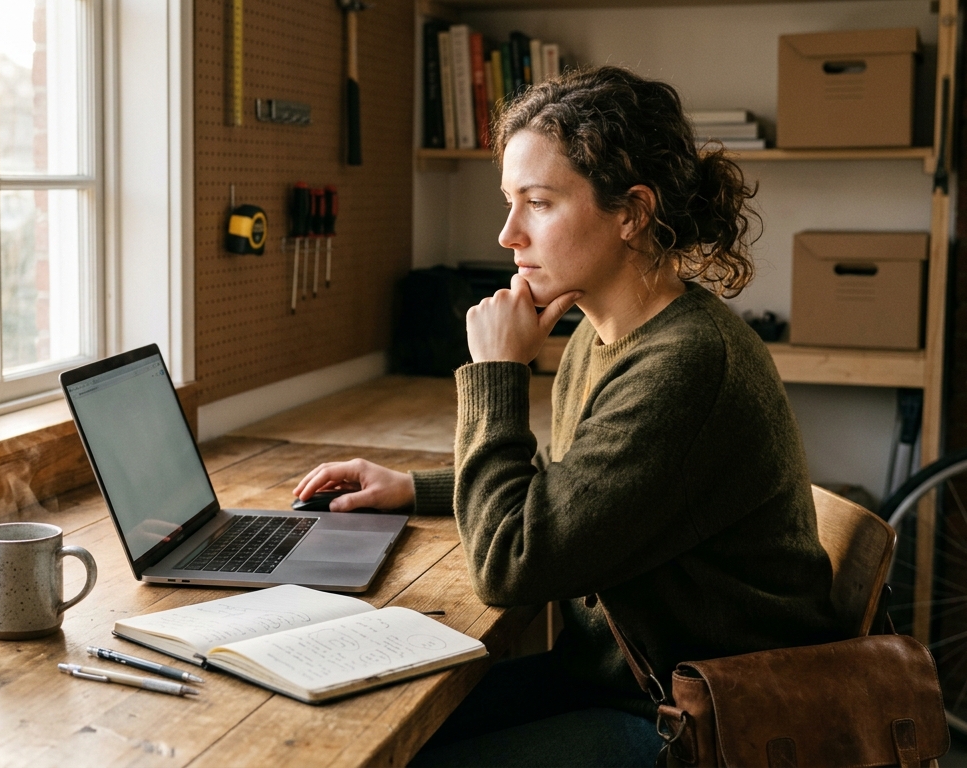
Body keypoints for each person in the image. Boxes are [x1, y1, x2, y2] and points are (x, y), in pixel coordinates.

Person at [292, 65, 843, 766]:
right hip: (624, 677)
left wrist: (497, 374)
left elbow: (512, 566)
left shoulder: (687, 365)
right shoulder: (602, 329)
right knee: (363, 726)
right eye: (509, 201)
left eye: (538, 202)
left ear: (632, 213)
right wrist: (414, 486)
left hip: (701, 721)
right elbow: (572, 487)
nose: (507, 235)